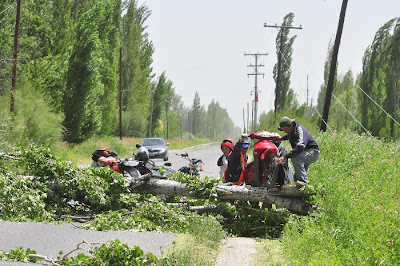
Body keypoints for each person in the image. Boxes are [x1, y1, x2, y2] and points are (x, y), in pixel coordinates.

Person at [277, 116, 320, 188]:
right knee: (296, 177)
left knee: (295, 157)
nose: (284, 131)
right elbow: (289, 135)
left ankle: (303, 184)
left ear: (290, 126)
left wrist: (285, 157)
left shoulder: (300, 131)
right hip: (305, 152)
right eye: (283, 130)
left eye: (285, 129)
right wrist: (282, 138)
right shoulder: (292, 129)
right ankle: (300, 190)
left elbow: (300, 147)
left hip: (313, 152)